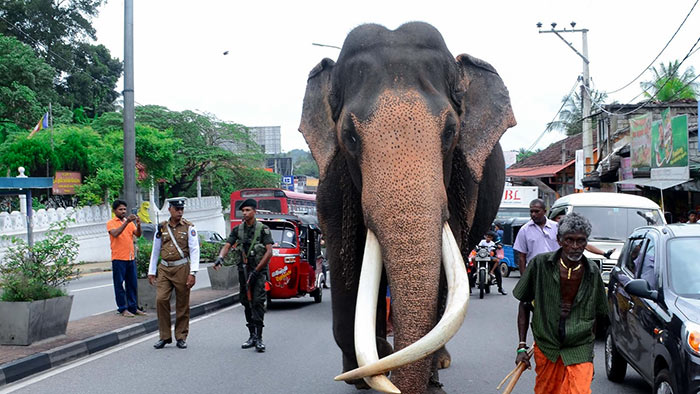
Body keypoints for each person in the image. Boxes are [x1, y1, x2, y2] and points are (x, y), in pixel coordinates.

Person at [512, 213, 608, 394]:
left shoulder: (592, 272)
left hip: (579, 347)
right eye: (569, 240)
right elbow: (524, 304)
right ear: (559, 240)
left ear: (586, 242)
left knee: (579, 391)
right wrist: (521, 347)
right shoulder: (539, 265)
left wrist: (590, 358)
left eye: (580, 241)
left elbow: (596, 316)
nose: (574, 247)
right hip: (547, 345)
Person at [214, 199, 273, 352]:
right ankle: (251, 335)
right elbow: (227, 244)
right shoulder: (238, 230)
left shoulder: (263, 229)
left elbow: (269, 252)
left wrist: (256, 271)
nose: (245, 213)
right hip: (244, 271)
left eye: (248, 210)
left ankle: (259, 337)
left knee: (258, 303)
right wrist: (221, 257)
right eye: (243, 210)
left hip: (258, 273)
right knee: (246, 302)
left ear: (254, 211)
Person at [148, 197, 200, 349]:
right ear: (169, 209)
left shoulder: (189, 227)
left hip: (181, 267)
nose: (180, 212)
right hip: (164, 268)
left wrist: (193, 273)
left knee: (182, 303)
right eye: (177, 209)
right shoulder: (162, 227)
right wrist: (152, 271)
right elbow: (155, 250)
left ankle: (181, 336)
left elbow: (195, 250)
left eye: (181, 209)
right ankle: (164, 336)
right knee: (161, 300)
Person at [514, 199, 614, 275]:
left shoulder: (557, 227)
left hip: (557, 271)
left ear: (544, 211)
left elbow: (583, 245)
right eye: (531, 212)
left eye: (536, 211)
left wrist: (604, 253)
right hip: (535, 272)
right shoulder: (524, 230)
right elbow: (522, 257)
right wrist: (524, 278)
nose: (533, 214)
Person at [106, 199, 145, 317]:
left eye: (124, 209)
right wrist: (126, 222)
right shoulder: (111, 222)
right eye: (120, 209)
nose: (123, 211)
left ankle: (133, 307)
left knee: (132, 284)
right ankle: (123, 308)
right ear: (115, 211)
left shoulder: (129, 223)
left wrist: (138, 224)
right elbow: (115, 233)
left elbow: (137, 234)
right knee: (119, 285)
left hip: (130, 257)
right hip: (118, 258)